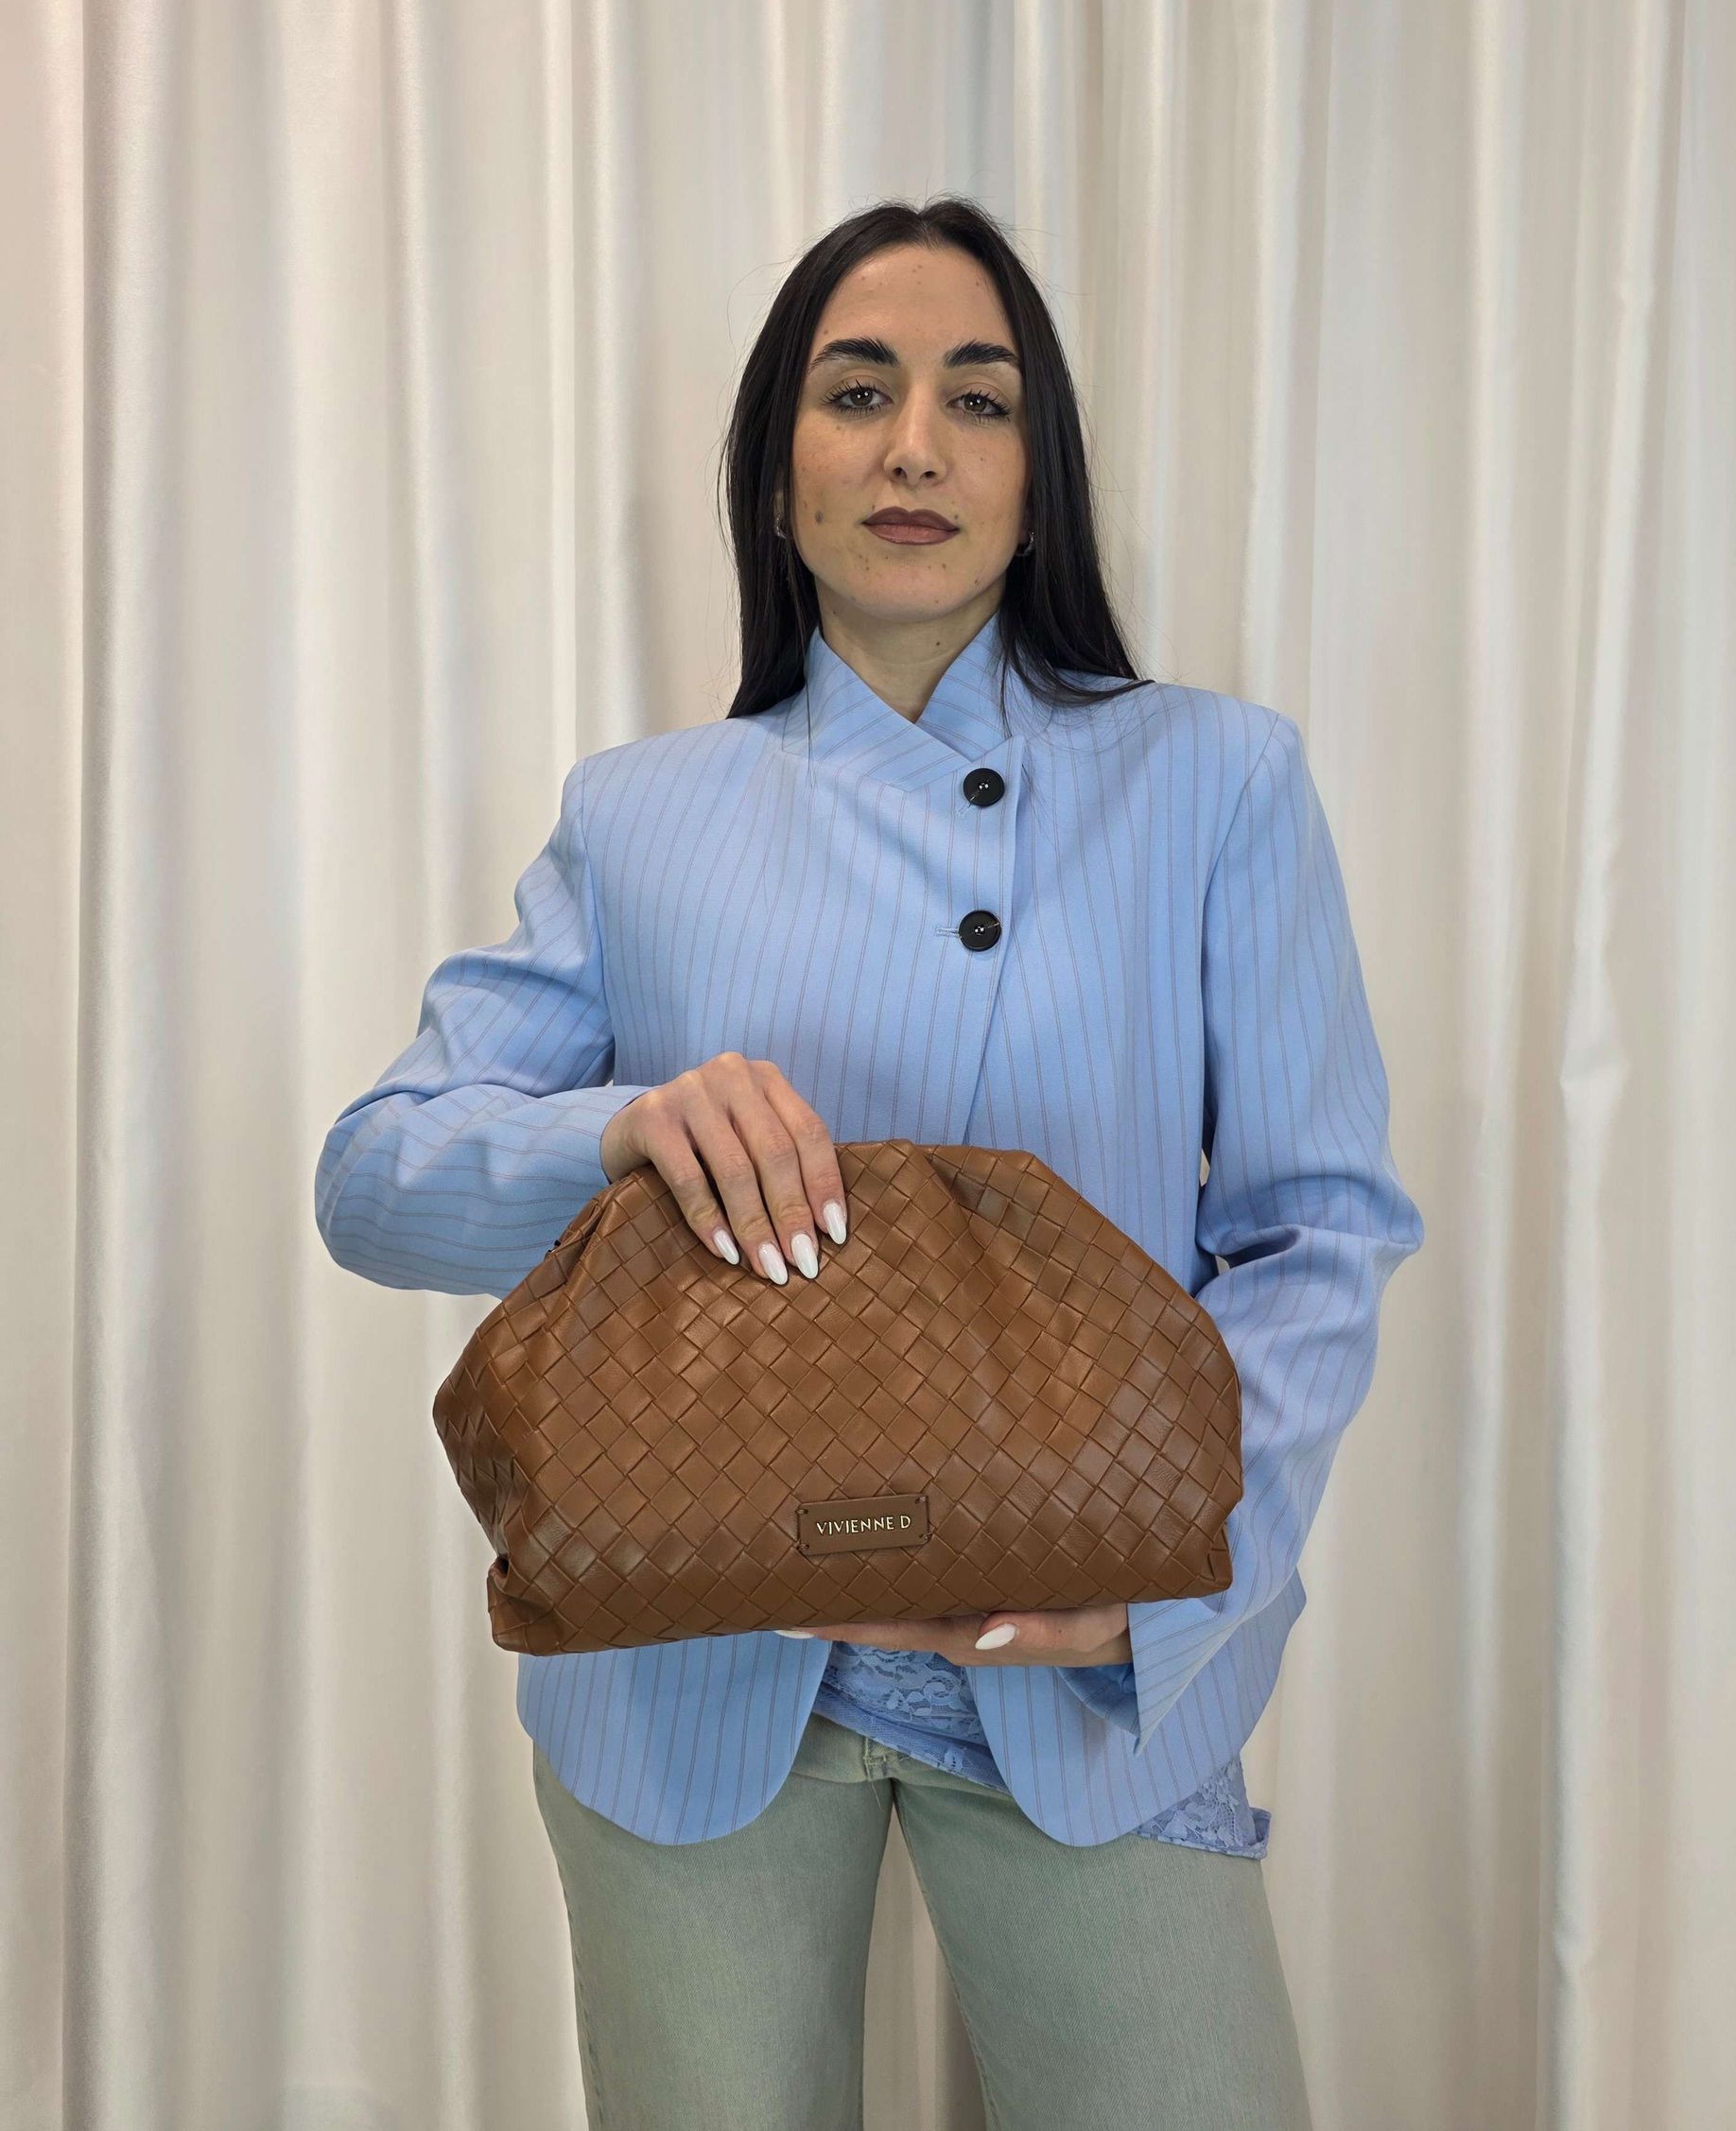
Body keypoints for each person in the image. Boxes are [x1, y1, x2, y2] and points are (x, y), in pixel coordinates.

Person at [316, 196, 1425, 2130]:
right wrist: (619, 1129)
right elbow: (373, 1173)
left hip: (1085, 1661)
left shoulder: (1213, 780)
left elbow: (1315, 1229)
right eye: (857, 392)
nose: (915, 443)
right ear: (777, 472)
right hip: (688, 1667)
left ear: (1036, 477)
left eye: (977, 400)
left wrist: (1178, 1588)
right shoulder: (640, 814)